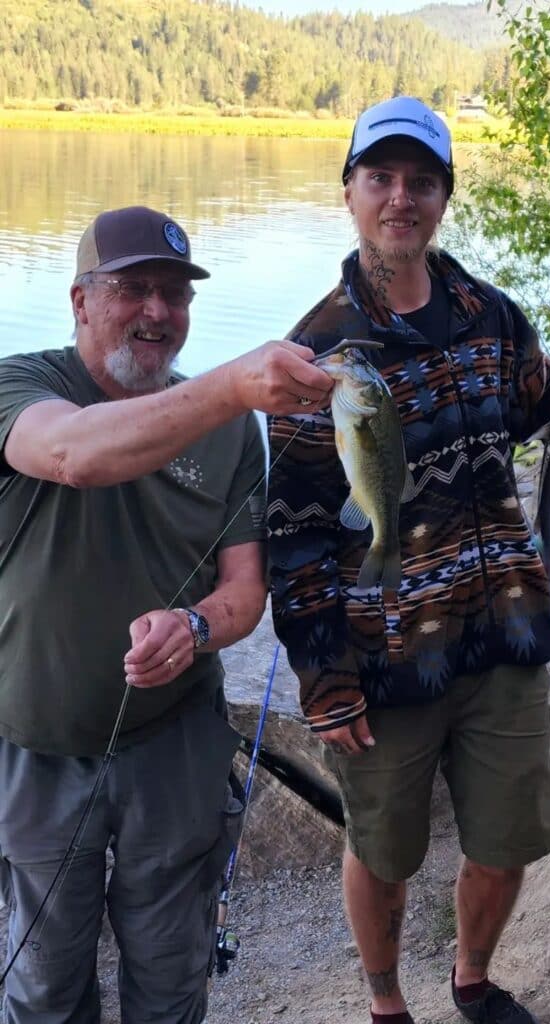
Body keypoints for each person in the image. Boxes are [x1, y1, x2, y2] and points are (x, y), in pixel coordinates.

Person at [266, 96, 550, 1024]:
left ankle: (472, 979)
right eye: (382, 179)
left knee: (506, 838)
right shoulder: (311, 354)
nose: (402, 198)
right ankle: (386, 1002)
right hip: (386, 653)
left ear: (443, 198)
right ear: (351, 192)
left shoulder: (489, 310)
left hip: (505, 626)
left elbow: (529, 409)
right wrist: (324, 674)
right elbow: (296, 530)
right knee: (383, 852)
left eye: (422, 182)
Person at [0, 205, 334, 1023]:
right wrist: (233, 386)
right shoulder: (20, 385)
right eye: (135, 290)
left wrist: (193, 628)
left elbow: (244, 592)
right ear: (81, 301)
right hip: (36, 747)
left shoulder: (229, 436)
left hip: (173, 746)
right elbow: (74, 453)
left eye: (175, 296)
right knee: (44, 984)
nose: (158, 313)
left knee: (171, 976)